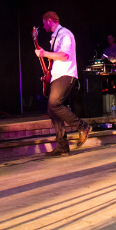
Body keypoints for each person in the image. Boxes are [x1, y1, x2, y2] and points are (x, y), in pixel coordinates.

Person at [34, 11, 92, 156]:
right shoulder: (55, 37)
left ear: (49, 20)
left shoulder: (65, 34)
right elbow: (54, 59)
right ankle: (62, 147)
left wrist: (45, 53)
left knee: (54, 104)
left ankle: (83, 127)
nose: (43, 25)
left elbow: (65, 55)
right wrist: (47, 75)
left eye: (43, 22)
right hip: (57, 75)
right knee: (51, 109)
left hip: (66, 75)